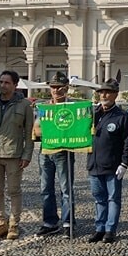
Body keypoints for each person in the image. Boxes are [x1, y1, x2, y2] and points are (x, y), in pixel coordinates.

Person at [0, 70, 35, 240]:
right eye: (1, 82)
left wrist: (27, 154)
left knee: (14, 190)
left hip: (14, 153)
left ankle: (14, 224)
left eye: (7, 82)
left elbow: (29, 133)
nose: (3, 85)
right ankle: (0, 223)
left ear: (15, 85)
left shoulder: (24, 105)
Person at [87, 79, 128, 244]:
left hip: (113, 165)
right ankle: (99, 228)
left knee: (113, 199)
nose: (103, 95)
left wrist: (125, 163)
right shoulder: (93, 114)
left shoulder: (122, 116)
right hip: (94, 164)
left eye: (107, 92)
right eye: (101, 92)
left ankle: (110, 230)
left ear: (115, 94)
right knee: (99, 198)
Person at [34, 72, 76, 236]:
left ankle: (68, 222)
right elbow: (36, 130)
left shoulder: (72, 108)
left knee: (66, 189)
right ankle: (50, 222)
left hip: (64, 152)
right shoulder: (44, 108)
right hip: (46, 151)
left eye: (60, 87)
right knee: (46, 188)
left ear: (66, 88)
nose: (56, 90)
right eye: (53, 87)